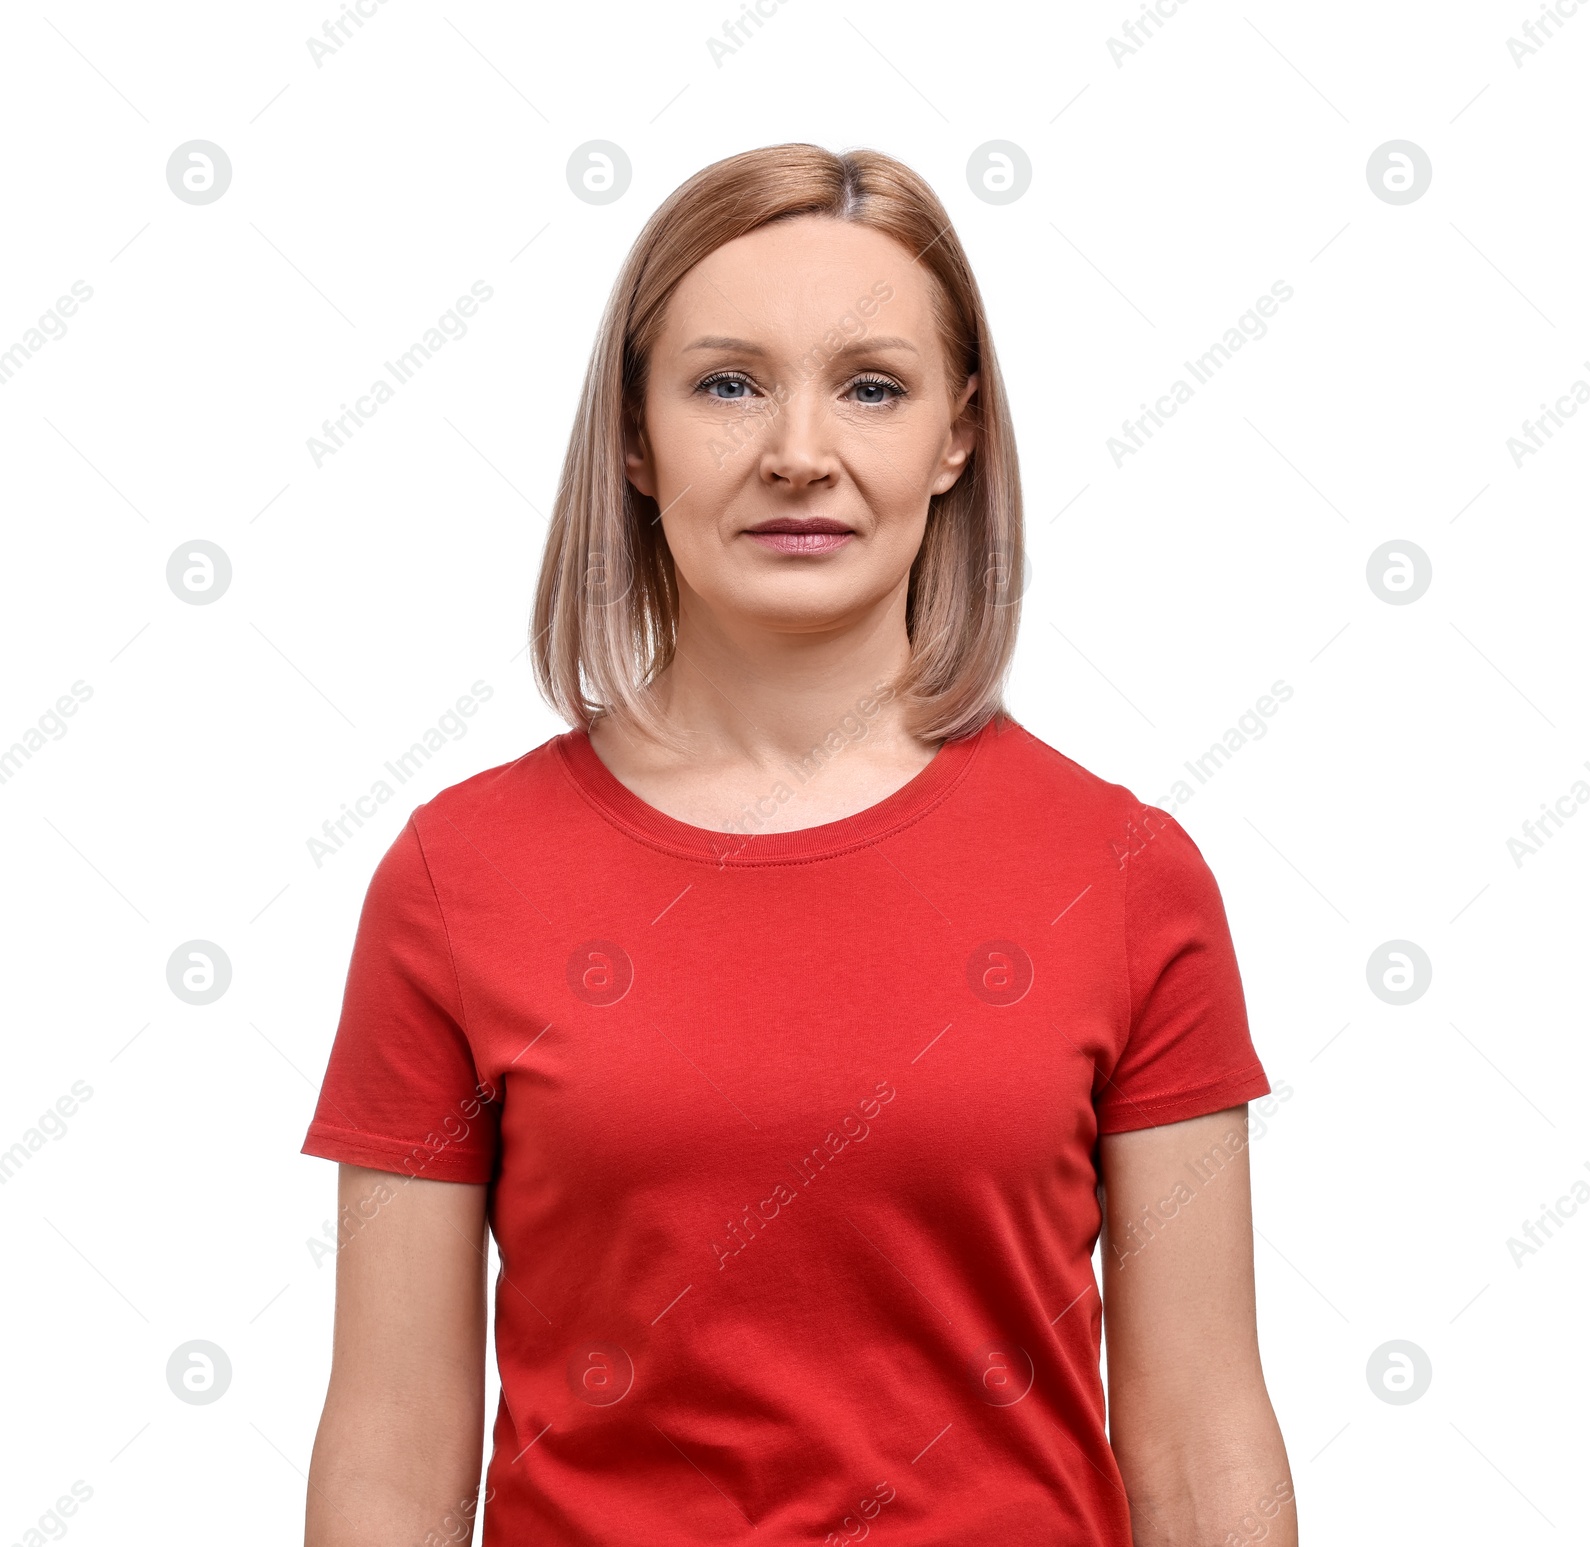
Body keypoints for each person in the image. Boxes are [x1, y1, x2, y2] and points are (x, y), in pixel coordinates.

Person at [300, 142, 1297, 1547]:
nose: (798, 453)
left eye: (871, 387)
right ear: (635, 442)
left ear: (957, 434)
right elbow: (394, 1455)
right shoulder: (458, 879)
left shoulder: (1126, 877)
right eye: (726, 384)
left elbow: (1200, 1442)